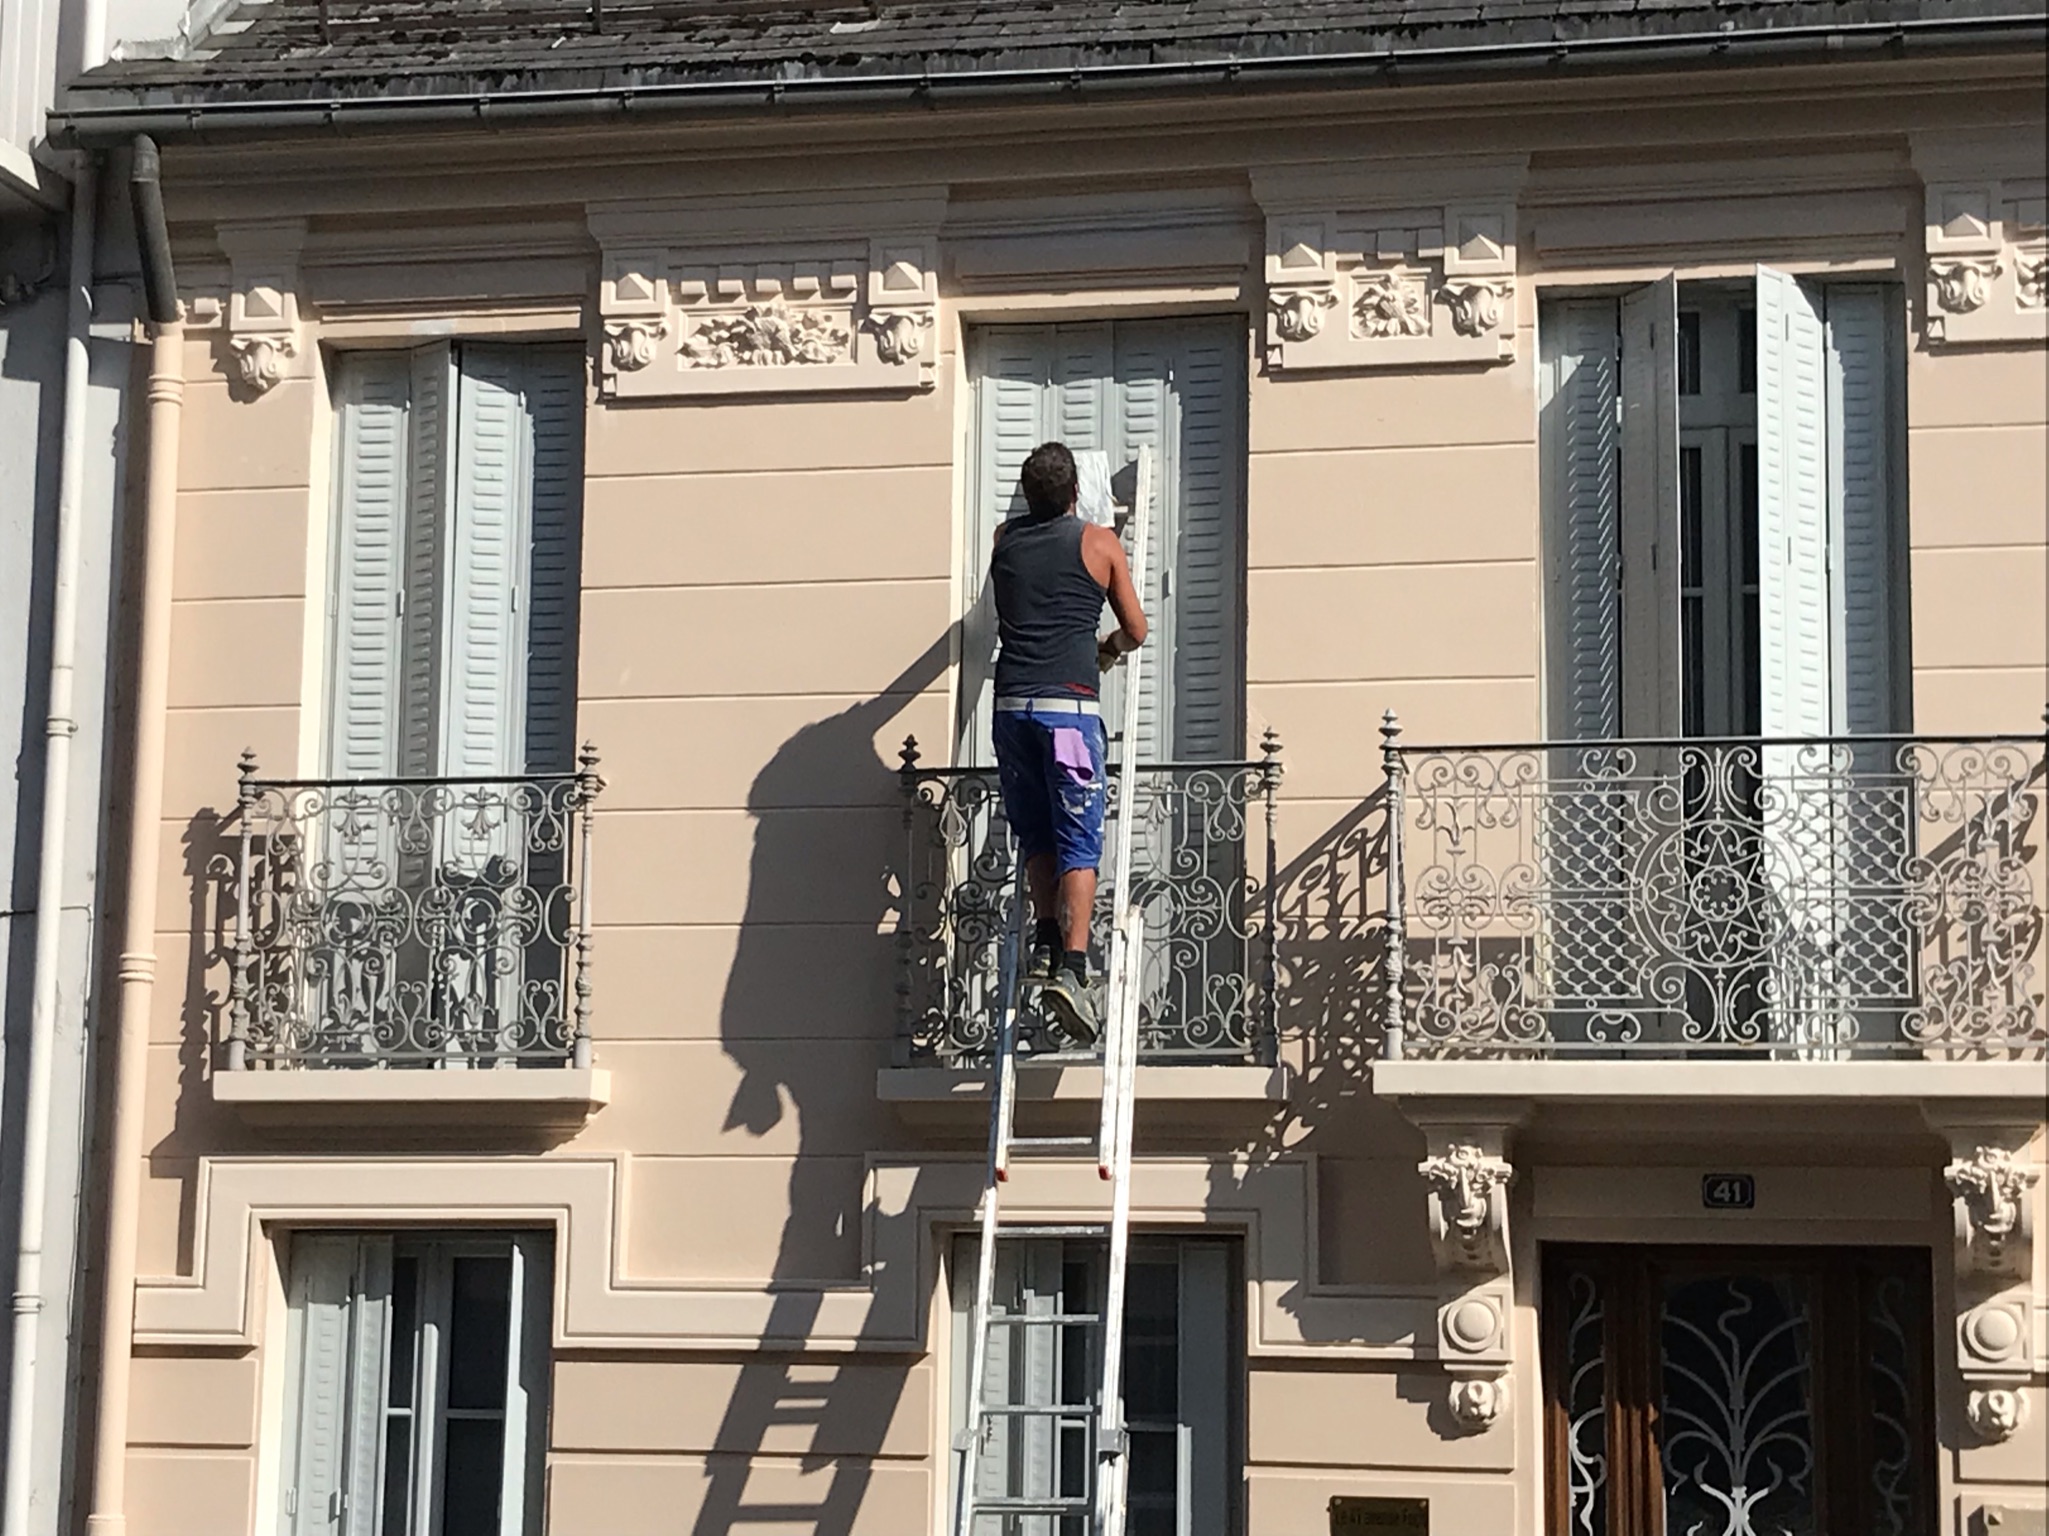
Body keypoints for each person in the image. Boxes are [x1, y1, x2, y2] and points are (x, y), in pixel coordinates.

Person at [989, 441, 1148, 1046]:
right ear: (1076, 493)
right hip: (1069, 712)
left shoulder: (1005, 539)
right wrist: (1106, 649)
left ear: (1028, 494)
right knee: (1080, 838)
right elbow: (1135, 629)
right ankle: (1075, 970)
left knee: (1035, 831)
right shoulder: (1099, 544)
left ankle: (1046, 941)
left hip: (1013, 710)